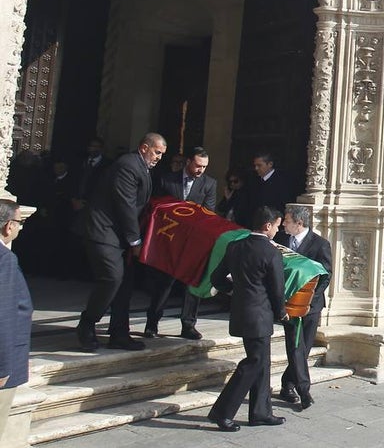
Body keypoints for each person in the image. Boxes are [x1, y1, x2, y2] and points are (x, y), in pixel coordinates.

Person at [78, 132, 167, 352]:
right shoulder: (128, 165)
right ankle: (87, 323)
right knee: (112, 277)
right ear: (144, 147)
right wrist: (136, 241)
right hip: (103, 232)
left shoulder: (142, 167)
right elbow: (126, 206)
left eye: (162, 154)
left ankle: (119, 332)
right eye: (157, 152)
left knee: (125, 284)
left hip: (119, 237)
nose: (159, 158)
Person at [207, 206, 287, 432]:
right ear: (267, 225)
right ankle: (222, 412)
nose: (277, 231)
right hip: (260, 315)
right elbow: (277, 289)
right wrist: (281, 311)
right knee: (254, 362)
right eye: (277, 226)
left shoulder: (235, 246)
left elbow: (216, 278)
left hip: (241, 312)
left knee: (262, 362)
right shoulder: (271, 252)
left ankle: (261, 412)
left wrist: (234, 291)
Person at [145, 147, 218, 340]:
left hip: (194, 243)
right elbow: (156, 206)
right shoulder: (167, 179)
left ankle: (188, 325)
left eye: (204, 166)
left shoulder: (209, 184)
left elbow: (209, 213)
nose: (201, 170)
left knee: (192, 284)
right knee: (163, 284)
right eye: (197, 165)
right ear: (188, 162)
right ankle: (151, 323)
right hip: (169, 240)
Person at [274, 205, 331, 410]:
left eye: (287, 221)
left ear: (299, 223)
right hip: (289, 305)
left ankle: (287, 383)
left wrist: (309, 298)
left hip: (311, 306)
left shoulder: (319, 244)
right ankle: (302, 389)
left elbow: (325, 276)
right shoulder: (281, 241)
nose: (283, 226)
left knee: (303, 348)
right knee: (294, 346)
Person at [0, 195, 34, 442]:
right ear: (8, 226)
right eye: (20, 222)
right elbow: (4, 313)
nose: (20, 228)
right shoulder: (5, 260)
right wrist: (3, 366)